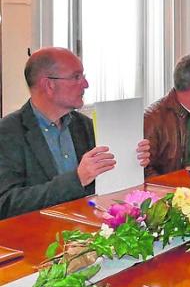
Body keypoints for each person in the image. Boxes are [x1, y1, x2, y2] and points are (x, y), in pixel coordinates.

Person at [0, 47, 150, 220]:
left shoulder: (84, 125)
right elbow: (6, 204)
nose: (86, 84)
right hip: (36, 236)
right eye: (76, 77)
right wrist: (77, 179)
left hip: (86, 228)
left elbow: (103, 185)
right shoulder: (8, 133)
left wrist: (131, 160)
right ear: (49, 85)